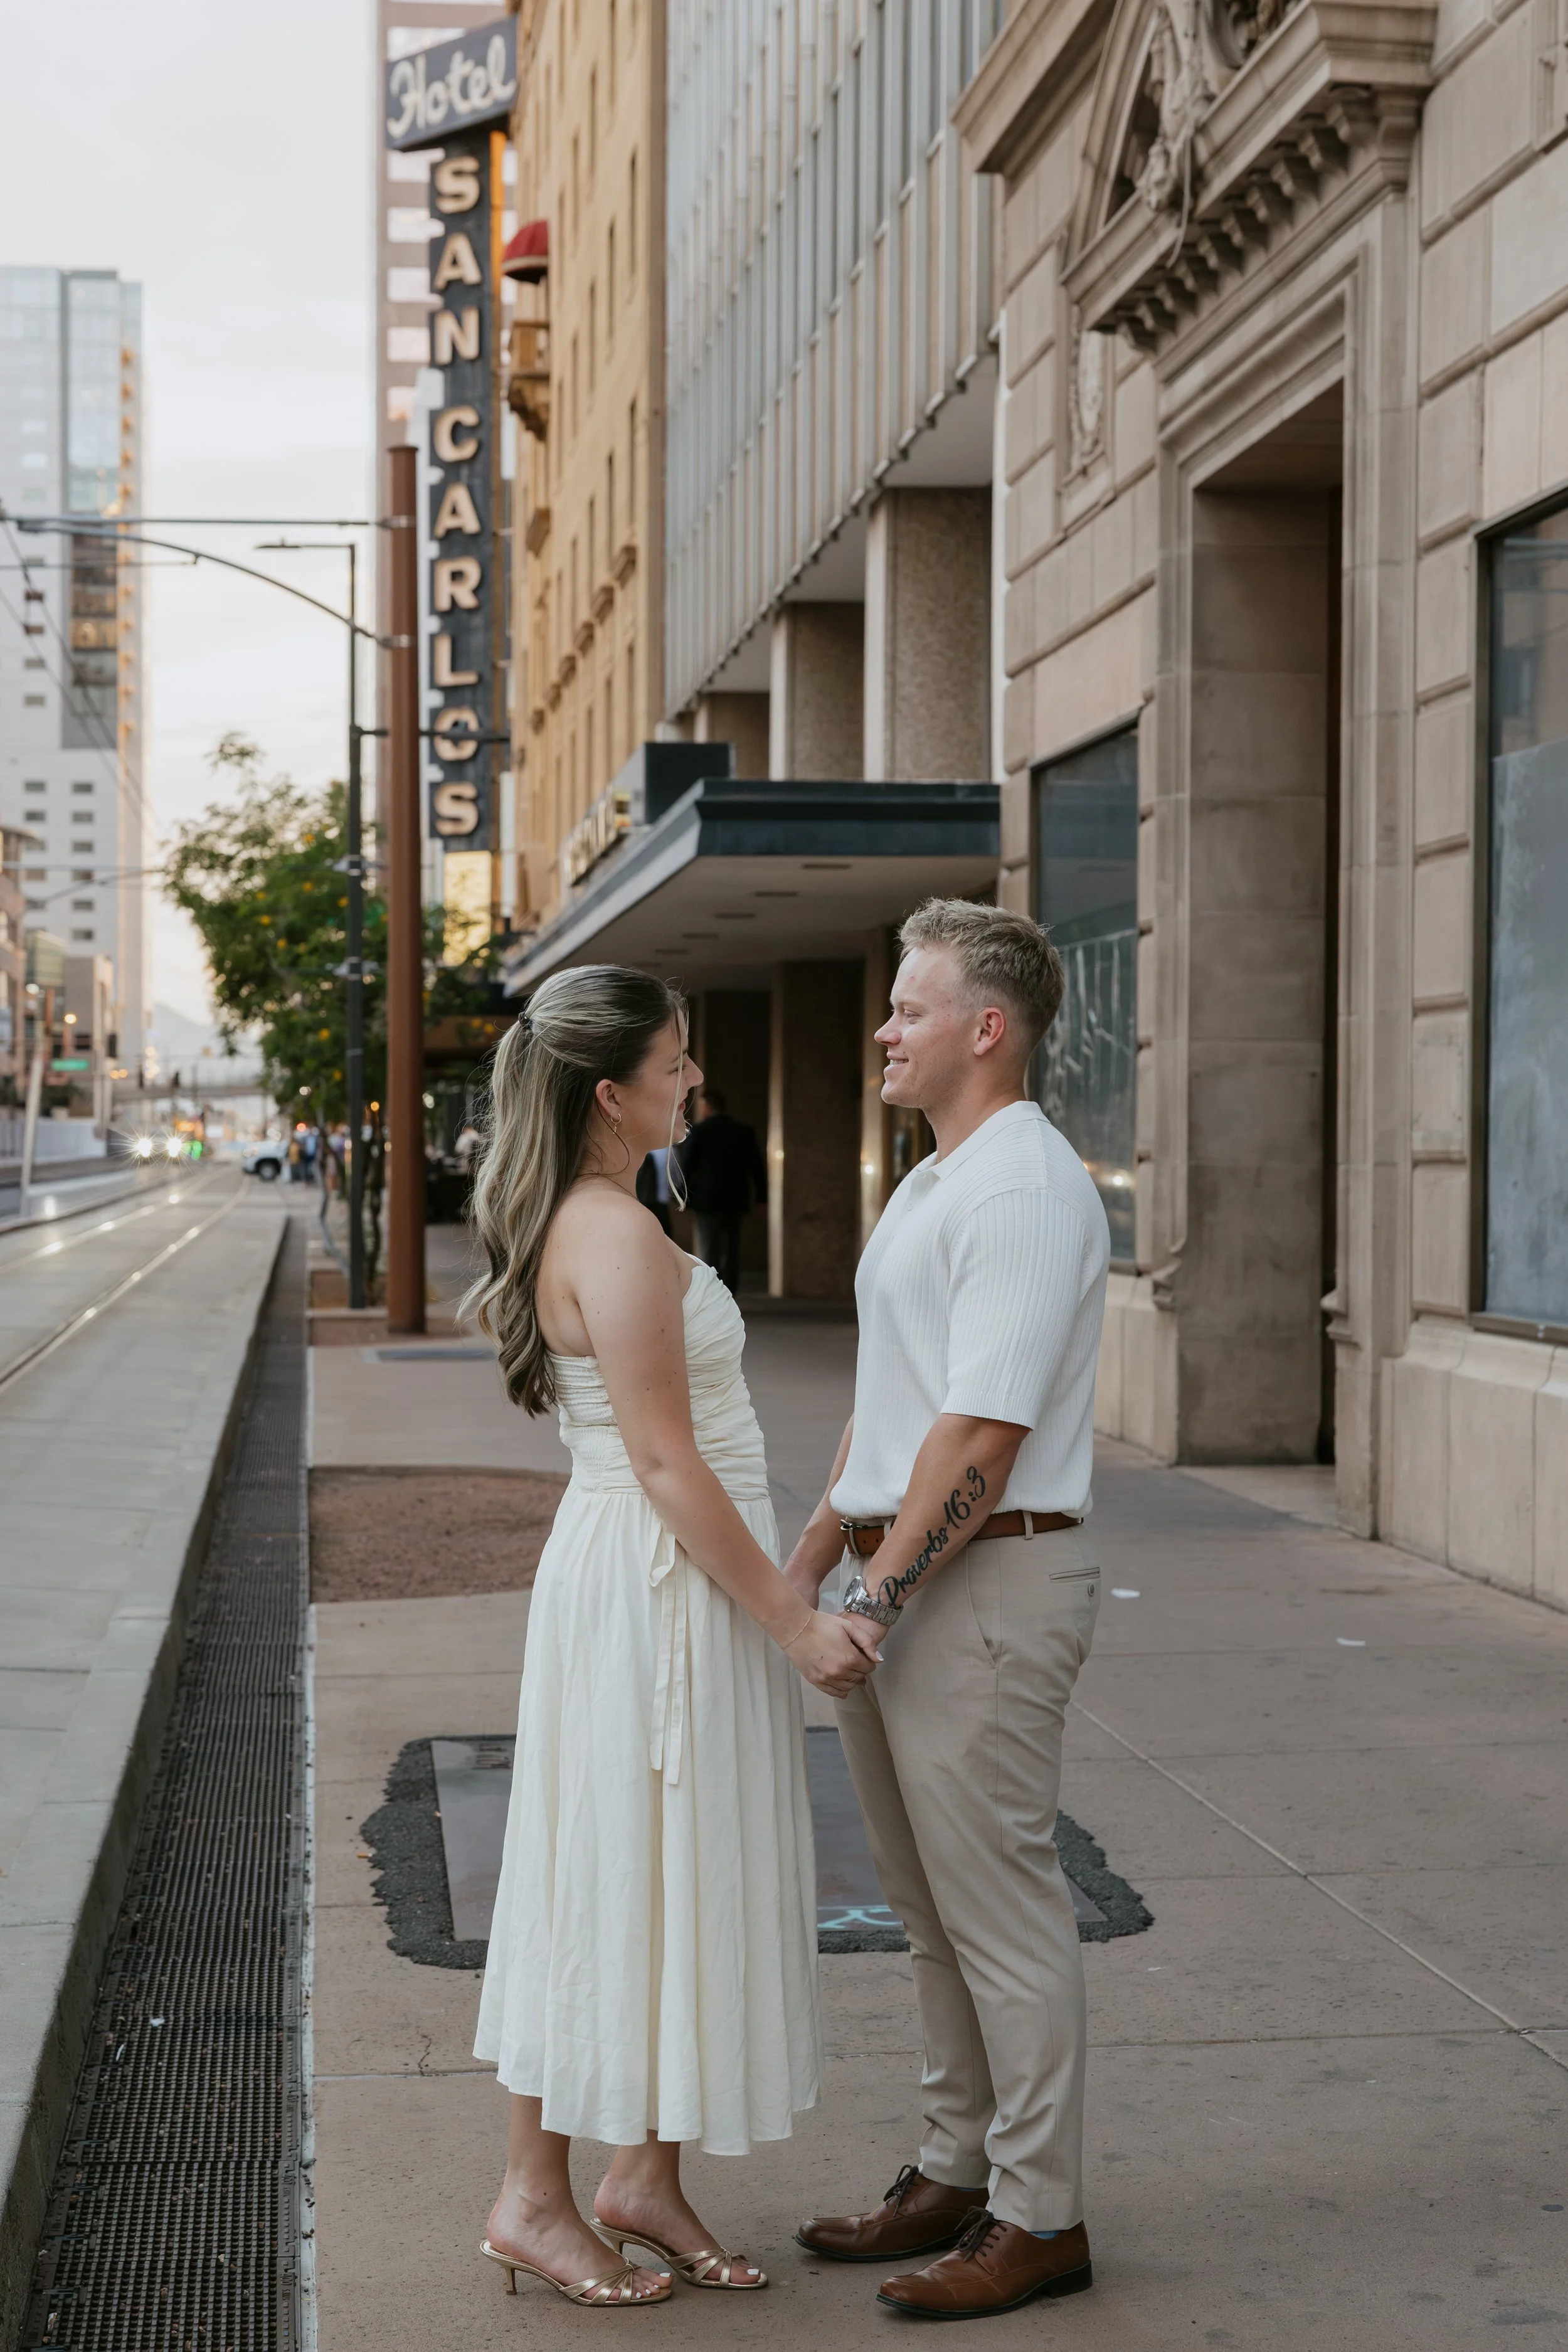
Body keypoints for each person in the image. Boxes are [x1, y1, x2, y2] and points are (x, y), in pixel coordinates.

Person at [467, 965, 880, 2310]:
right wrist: (794, 1618)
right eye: (677, 1064)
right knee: (604, 1870)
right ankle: (533, 2196)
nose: (693, 1082)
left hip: (661, 1577)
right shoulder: (612, 1235)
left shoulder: (611, 1217)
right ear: (610, 1093)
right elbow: (660, 1457)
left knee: (663, 1870)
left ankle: (640, 2175)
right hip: (656, 1579)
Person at [785, 898, 1110, 2321]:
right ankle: (952, 2164)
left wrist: (873, 1593)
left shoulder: (1024, 1187)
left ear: (988, 1027)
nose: (883, 1026)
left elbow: (979, 1440)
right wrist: (806, 1564)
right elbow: (892, 1413)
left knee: (1001, 1909)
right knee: (927, 1909)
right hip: (909, 1574)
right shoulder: (931, 1183)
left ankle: (1039, 2212)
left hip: (987, 1584)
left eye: (909, 1007)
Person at [678, 1086, 767, 1293]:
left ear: (708, 1106)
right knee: (732, 1249)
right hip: (736, 1200)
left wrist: (681, 1195)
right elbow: (757, 1168)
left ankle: (713, 1293)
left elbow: (687, 1167)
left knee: (709, 1248)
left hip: (707, 1200)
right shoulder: (743, 1132)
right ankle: (731, 1293)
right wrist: (762, 1198)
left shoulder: (700, 1131)